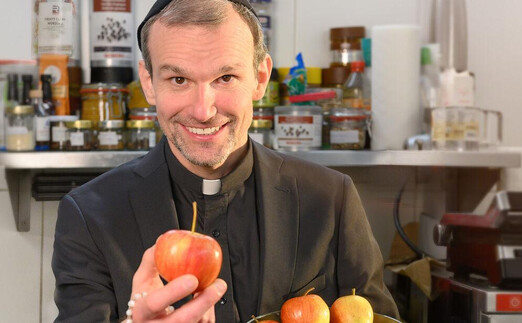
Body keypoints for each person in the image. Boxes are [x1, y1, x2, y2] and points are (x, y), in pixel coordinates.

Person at [52, 0, 399, 322]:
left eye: (226, 77)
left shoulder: (330, 198)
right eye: (178, 79)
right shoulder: (89, 215)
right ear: (149, 83)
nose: (203, 111)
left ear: (260, 78)